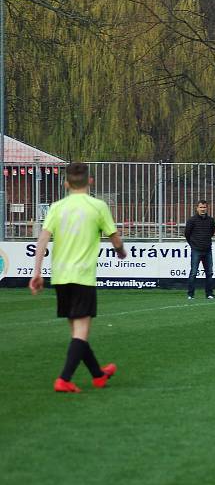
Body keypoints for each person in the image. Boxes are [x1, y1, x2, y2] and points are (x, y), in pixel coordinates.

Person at [29, 162, 127, 393]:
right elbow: (115, 238)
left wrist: (37, 271)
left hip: (61, 277)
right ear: (90, 181)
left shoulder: (57, 207)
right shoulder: (98, 206)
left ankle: (98, 374)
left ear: (65, 184)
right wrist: (121, 251)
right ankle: (64, 379)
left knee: (77, 333)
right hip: (83, 277)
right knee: (81, 333)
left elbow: (43, 239)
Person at [185, 199, 215, 299]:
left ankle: (209, 294)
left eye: (204, 207)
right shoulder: (192, 220)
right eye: (201, 207)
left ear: (207, 208)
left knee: (209, 273)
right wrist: (193, 244)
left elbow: (211, 233)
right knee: (193, 272)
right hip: (196, 250)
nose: (202, 209)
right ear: (197, 208)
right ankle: (190, 294)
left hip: (207, 250)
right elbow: (187, 234)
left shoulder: (211, 220)